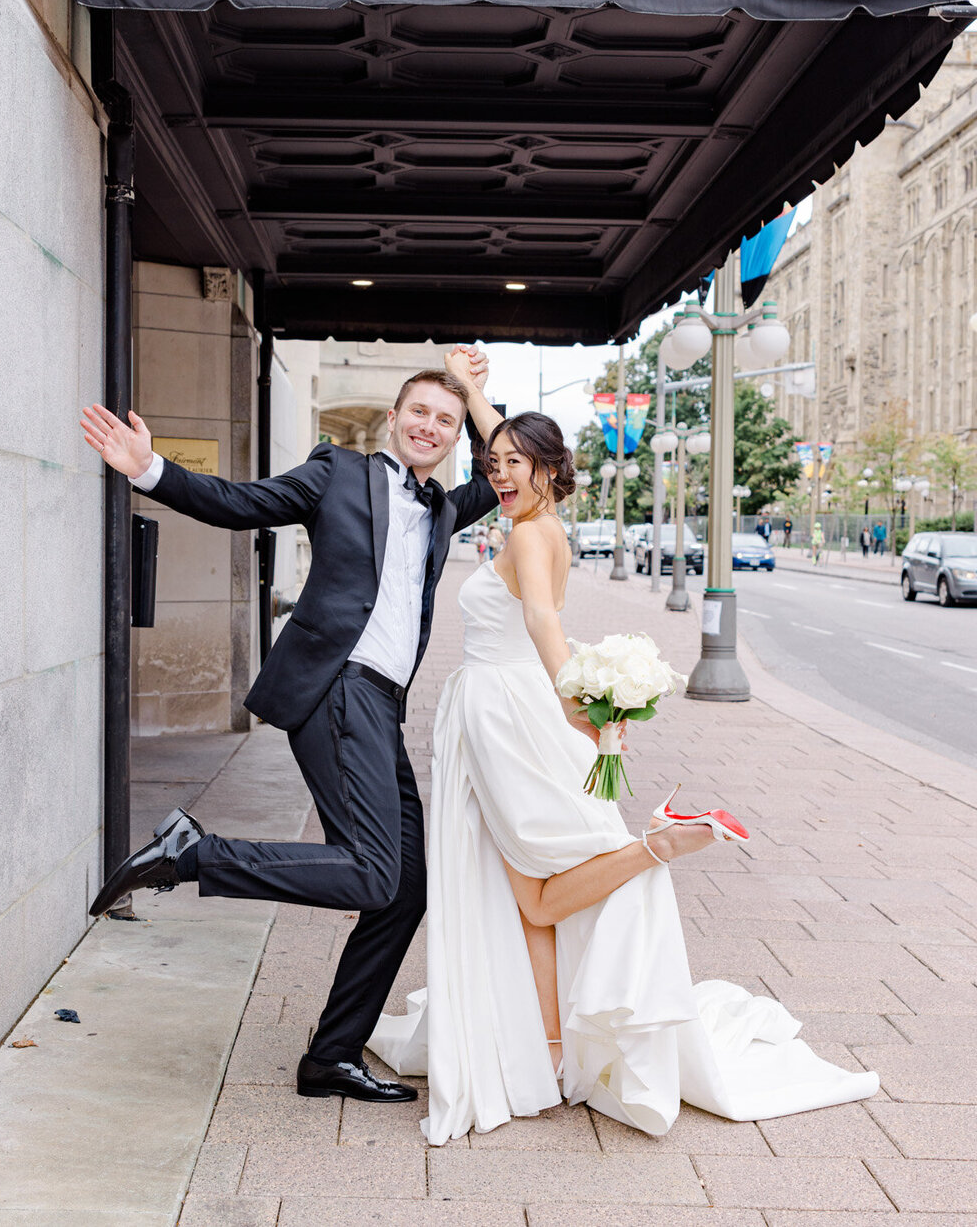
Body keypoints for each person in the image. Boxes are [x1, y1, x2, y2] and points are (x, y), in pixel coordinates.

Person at [369, 373, 879, 1141]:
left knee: (536, 893)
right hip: (495, 714)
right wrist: (474, 395)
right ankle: (548, 1042)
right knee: (531, 900)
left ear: (547, 469)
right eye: (492, 460)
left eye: (512, 463)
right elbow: (510, 446)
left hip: (508, 717)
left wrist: (573, 701)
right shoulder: (537, 518)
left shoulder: (533, 535)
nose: (495, 471)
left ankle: (656, 845)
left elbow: (540, 617)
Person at [79, 351, 500, 1106]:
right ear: (396, 417)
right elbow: (241, 502)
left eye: (447, 418)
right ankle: (195, 854)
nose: (431, 426)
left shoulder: (443, 508)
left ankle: (330, 1057)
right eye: (421, 411)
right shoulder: (338, 471)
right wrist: (151, 471)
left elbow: (509, 470)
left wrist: (474, 394)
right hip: (337, 687)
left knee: (404, 890)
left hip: (381, 706)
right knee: (373, 871)